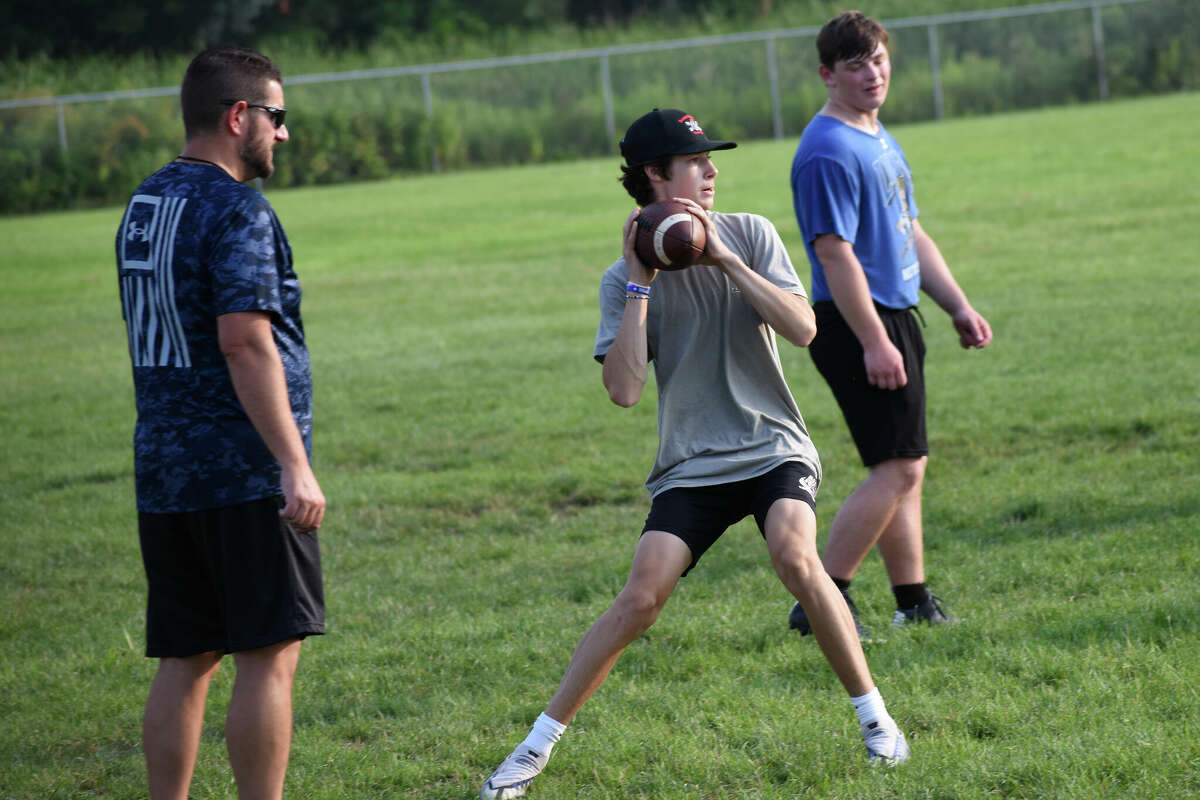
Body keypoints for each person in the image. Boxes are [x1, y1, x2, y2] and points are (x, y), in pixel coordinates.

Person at [479, 107, 908, 800]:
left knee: (797, 557)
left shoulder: (751, 233)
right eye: (695, 162)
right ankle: (531, 752)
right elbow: (622, 390)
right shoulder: (622, 280)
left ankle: (878, 722)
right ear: (656, 177)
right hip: (692, 463)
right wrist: (641, 281)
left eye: (711, 160)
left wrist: (727, 259)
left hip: (772, 445)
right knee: (641, 598)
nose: (712, 171)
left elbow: (802, 329)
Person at [114, 46, 325, 800]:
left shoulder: (145, 203)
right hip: (241, 472)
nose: (284, 134)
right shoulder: (238, 208)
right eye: (277, 116)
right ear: (240, 117)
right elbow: (244, 340)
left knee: (187, 656)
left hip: (165, 473)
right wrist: (293, 462)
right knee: (268, 656)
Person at [787, 11, 993, 639]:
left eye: (877, 59)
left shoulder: (876, 134)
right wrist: (874, 338)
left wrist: (957, 304)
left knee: (906, 463)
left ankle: (913, 600)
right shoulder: (826, 150)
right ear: (827, 75)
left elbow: (912, 231)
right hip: (858, 322)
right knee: (897, 468)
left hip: (896, 313)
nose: (872, 73)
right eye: (855, 65)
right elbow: (833, 252)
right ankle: (820, 599)